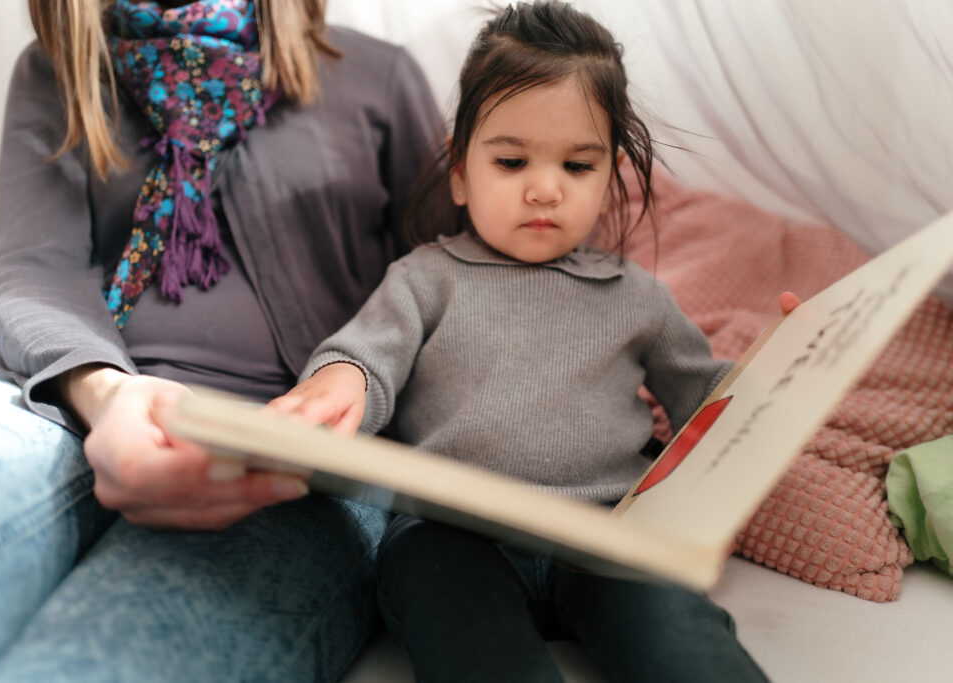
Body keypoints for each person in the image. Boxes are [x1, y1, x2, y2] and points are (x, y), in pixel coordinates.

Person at [270, 3, 786, 681]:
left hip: (607, 532)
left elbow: (710, 404)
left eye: (578, 166)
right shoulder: (425, 279)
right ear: (460, 170)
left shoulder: (638, 296)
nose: (545, 189)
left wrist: (783, 366)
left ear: (611, 179)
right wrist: (339, 384)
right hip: (451, 535)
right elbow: (366, 360)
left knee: (691, 651)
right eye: (512, 161)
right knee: (470, 641)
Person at [0, 0, 441, 680]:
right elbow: (33, 264)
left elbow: (456, 282)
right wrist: (107, 395)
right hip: (63, 405)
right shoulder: (62, 71)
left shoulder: (377, 77)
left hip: (296, 465)